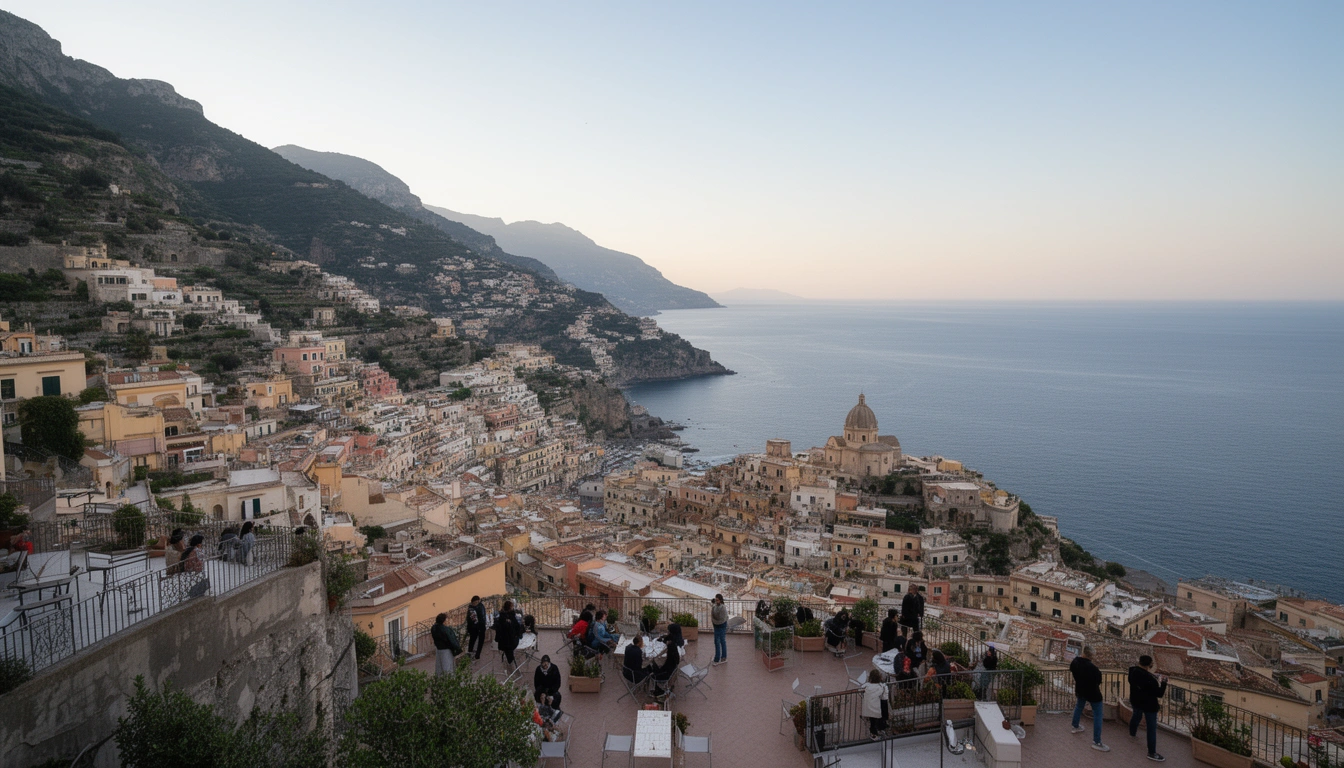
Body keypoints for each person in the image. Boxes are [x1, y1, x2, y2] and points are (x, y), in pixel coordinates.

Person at [1128, 654, 1168, 762]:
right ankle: (1151, 752)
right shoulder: (1150, 680)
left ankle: (1132, 733)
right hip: (1149, 705)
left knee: (1136, 716)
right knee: (1151, 728)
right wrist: (1163, 683)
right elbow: (1159, 693)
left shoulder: (1132, 671)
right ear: (1149, 665)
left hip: (1136, 700)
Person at [1070, 645, 1109, 751]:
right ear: (1091, 655)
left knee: (1079, 706)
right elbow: (1098, 681)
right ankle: (1097, 741)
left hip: (1080, 689)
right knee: (1098, 715)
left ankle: (1075, 726)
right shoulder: (1093, 669)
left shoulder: (1075, 662)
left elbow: (1073, 672)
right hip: (1093, 693)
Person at [651, 623, 683, 697]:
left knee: (652, 667)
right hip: (670, 671)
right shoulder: (674, 645)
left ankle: (657, 689)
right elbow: (667, 637)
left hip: (666, 673)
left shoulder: (672, 648)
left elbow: (663, 663)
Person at [862, 664, 890, 740]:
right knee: (882, 707)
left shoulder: (866, 687)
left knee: (873, 719)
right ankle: (881, 728)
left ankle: (874, 732)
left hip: (870, 708)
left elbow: (860, 690)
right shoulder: (882, 687)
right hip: (879, 707)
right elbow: (885, 698)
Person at [494, 599, 521, 666]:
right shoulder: (510, 616)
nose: (513, 608)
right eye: (512, 606)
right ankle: (510, 661)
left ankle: (509, 660)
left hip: (503, 642)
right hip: (510, 640)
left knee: (508, 647)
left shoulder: (501, 616)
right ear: (509, 608)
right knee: (511, 644)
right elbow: (516, 626)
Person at [711, 593, 729, 665]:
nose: (716, 602)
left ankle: (717, 659)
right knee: (721, 641)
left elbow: (717, 616)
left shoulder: (721, 608)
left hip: (720, 625)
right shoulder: (718, 607)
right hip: (719, 625)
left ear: (720, 600)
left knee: (719, 641)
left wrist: (713, 606)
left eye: (717, 600)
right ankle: (722, 657)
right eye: (715, 600)